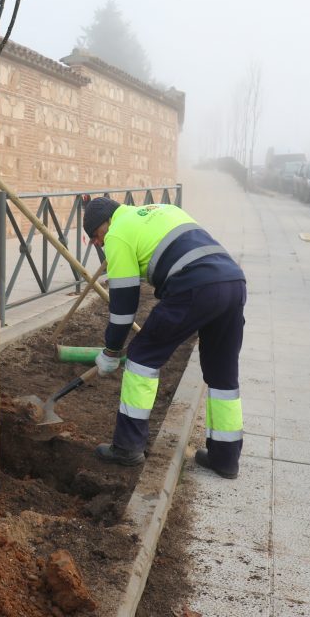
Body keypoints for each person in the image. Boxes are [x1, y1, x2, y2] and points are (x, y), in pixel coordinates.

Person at [83, 197, 247, 478]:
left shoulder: (118, 233)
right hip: (233, 282)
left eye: (95, 236)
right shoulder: (162, 209)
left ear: (106, 224)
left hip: (195, 287)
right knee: (222, 373)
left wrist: (111, 351)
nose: (98, 244)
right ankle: (225, 458)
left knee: (141, 358)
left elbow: (123, 307)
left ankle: (127, 448)